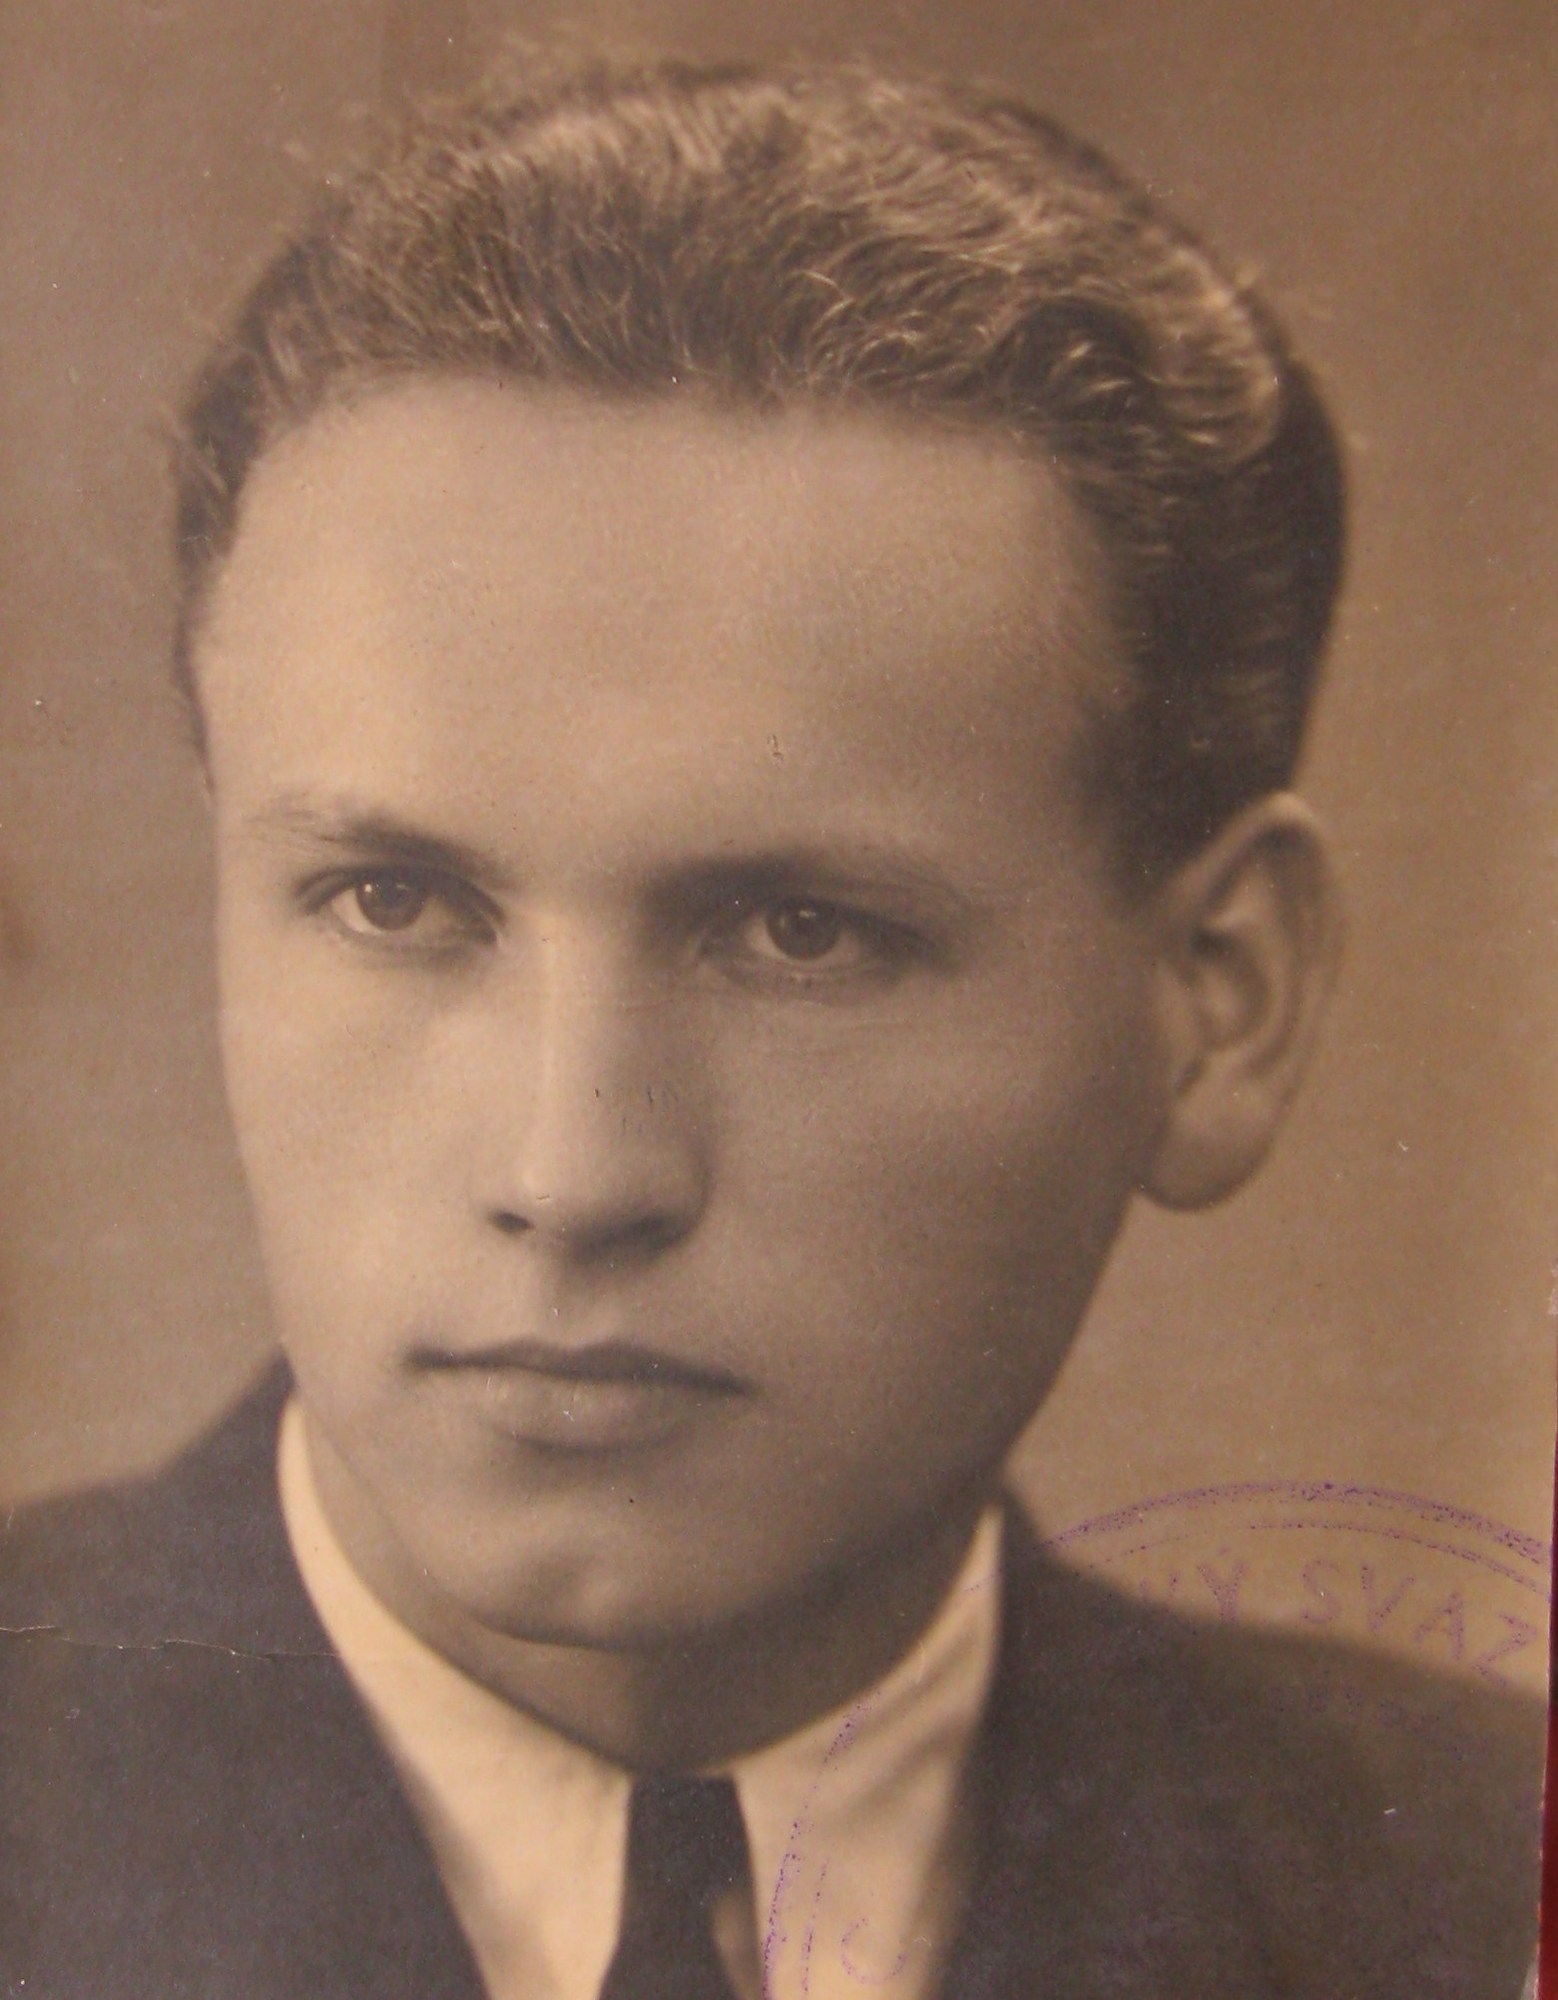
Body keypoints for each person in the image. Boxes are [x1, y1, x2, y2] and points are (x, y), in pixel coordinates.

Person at [0, 55, 1542, 2000]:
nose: (572, 1171)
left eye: (797, 933)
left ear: (1219, 1002)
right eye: (396, 902)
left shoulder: (1470, 1891)